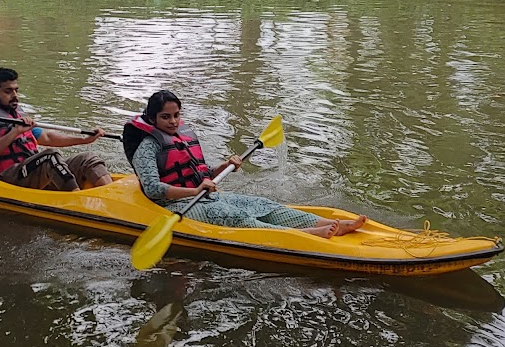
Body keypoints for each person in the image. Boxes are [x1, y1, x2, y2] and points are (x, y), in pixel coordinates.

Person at [123, 89, 366, 237]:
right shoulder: (147, 147)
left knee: (262, 204)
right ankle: (307, 235)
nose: (173, 122)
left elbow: (200, 172)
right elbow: (154, 189)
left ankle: (330, 224)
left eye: (176, 115)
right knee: (236, 217)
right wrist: (195, 191)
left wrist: (223, 167)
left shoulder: (180, 138)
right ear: (152, 118)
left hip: (202, 196)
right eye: (165, 117)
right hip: (172, 207)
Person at [0, 67, 112, 192]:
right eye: (8, 91)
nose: (15, 96)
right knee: (49, 157)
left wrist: (84, 140)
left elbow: (47, 138)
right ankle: (77, 200)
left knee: (88, 158)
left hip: (31, 171)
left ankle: (111, 194)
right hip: (6, 178)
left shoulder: (18, 115)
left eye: (16, 90)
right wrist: (14, 132)